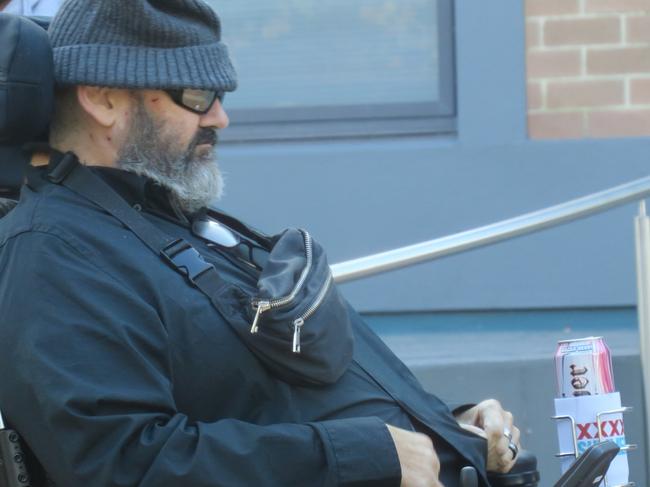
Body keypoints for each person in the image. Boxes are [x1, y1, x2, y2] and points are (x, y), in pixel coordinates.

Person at [0, 1, 522, 486]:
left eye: (220, 96)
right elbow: (121, 463)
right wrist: (368, 455)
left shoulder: (179, 225)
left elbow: (273, 402)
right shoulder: (55, 253)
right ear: (103, 98)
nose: (219, 118)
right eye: (197, 96)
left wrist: (450, 431)